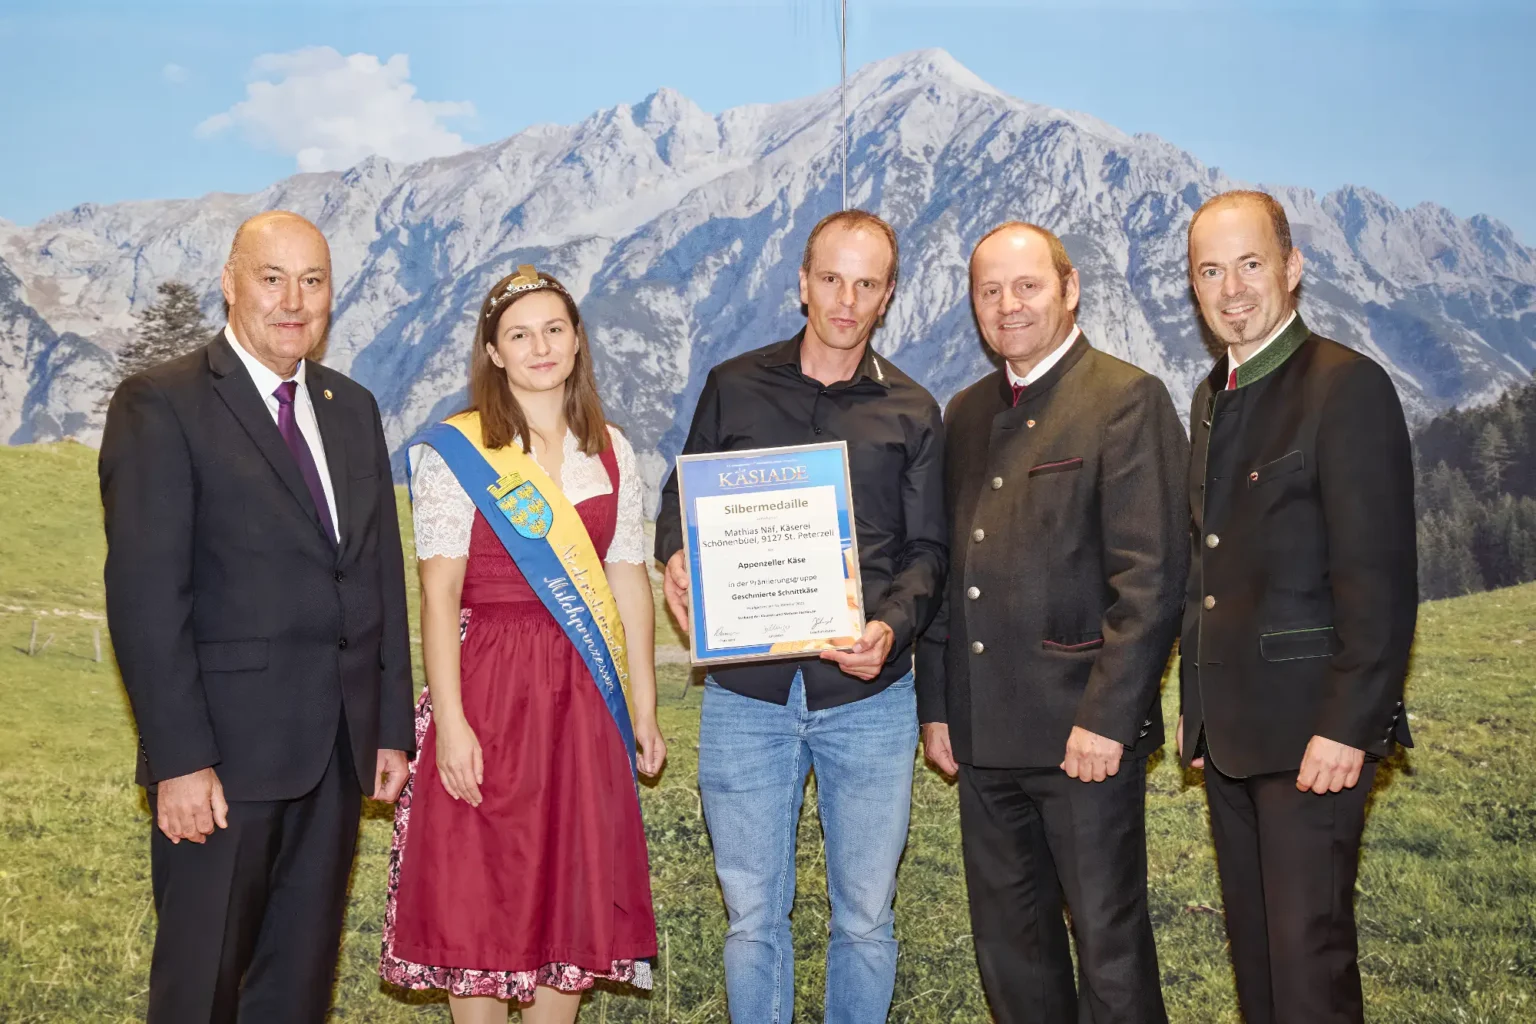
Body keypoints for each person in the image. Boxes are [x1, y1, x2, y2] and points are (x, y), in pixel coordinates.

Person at [99, 210, 415, 1023]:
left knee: (296, 993)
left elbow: (377, 573)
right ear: (231, 284)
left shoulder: (352, 407)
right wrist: (180, 761)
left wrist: (388, 727)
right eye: (272, 278)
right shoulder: (160, 403)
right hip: (220, 766)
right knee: (200, 990)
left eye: (312, 281)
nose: (293, 301)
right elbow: (145, 598)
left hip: (335, 758)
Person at [655, 209, 946, 1023]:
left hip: (869, 699)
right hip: (746, 696)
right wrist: (675, 552)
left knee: (866, 919)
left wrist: (890, 628)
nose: (846, 301)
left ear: (888, 294)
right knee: (752, 920)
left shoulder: (914, 410)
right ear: (802, 284)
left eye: (866, 284)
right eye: (831, 279)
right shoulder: (733, 384)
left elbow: (929, 551)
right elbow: (679, 496)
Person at [915, 222, 1187, 1023]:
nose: (1009, 305)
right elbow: (949, 568)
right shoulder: (966, 412)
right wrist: (938, 706)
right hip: (982, 735)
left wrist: (1108, 720)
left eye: (1027, 286)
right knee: (1013, 956)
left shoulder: (1126, 398)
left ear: (1070, 290)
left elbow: (1151, 580)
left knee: (1109, 952)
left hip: (1083, 739)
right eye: (990, 291)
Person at [379, 265, 665, 1024]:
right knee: (481, 888)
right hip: (489, 686)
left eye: (554, 330)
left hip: (584, 696)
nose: (540, 347)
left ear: (577, 341)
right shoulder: (458, 451)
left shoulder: (612, 450)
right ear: (493, 352)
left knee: (571, 884)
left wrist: (643, 708)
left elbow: (628, 582)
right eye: (519, 334)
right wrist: (451, 723)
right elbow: (438, 594)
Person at [1178, 190, 1417, 1023]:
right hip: (1231, 740)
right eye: (1211, 271)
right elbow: (1208, 567)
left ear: (1293, 267)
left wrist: (1350, 727)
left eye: (1250, 264)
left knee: (1308, 970)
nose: (1232, 288)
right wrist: (1200, 715)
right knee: (1258, 970)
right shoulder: (1211, 396)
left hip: (1315, 737)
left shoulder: (1346, 386)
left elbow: (1379, 583)